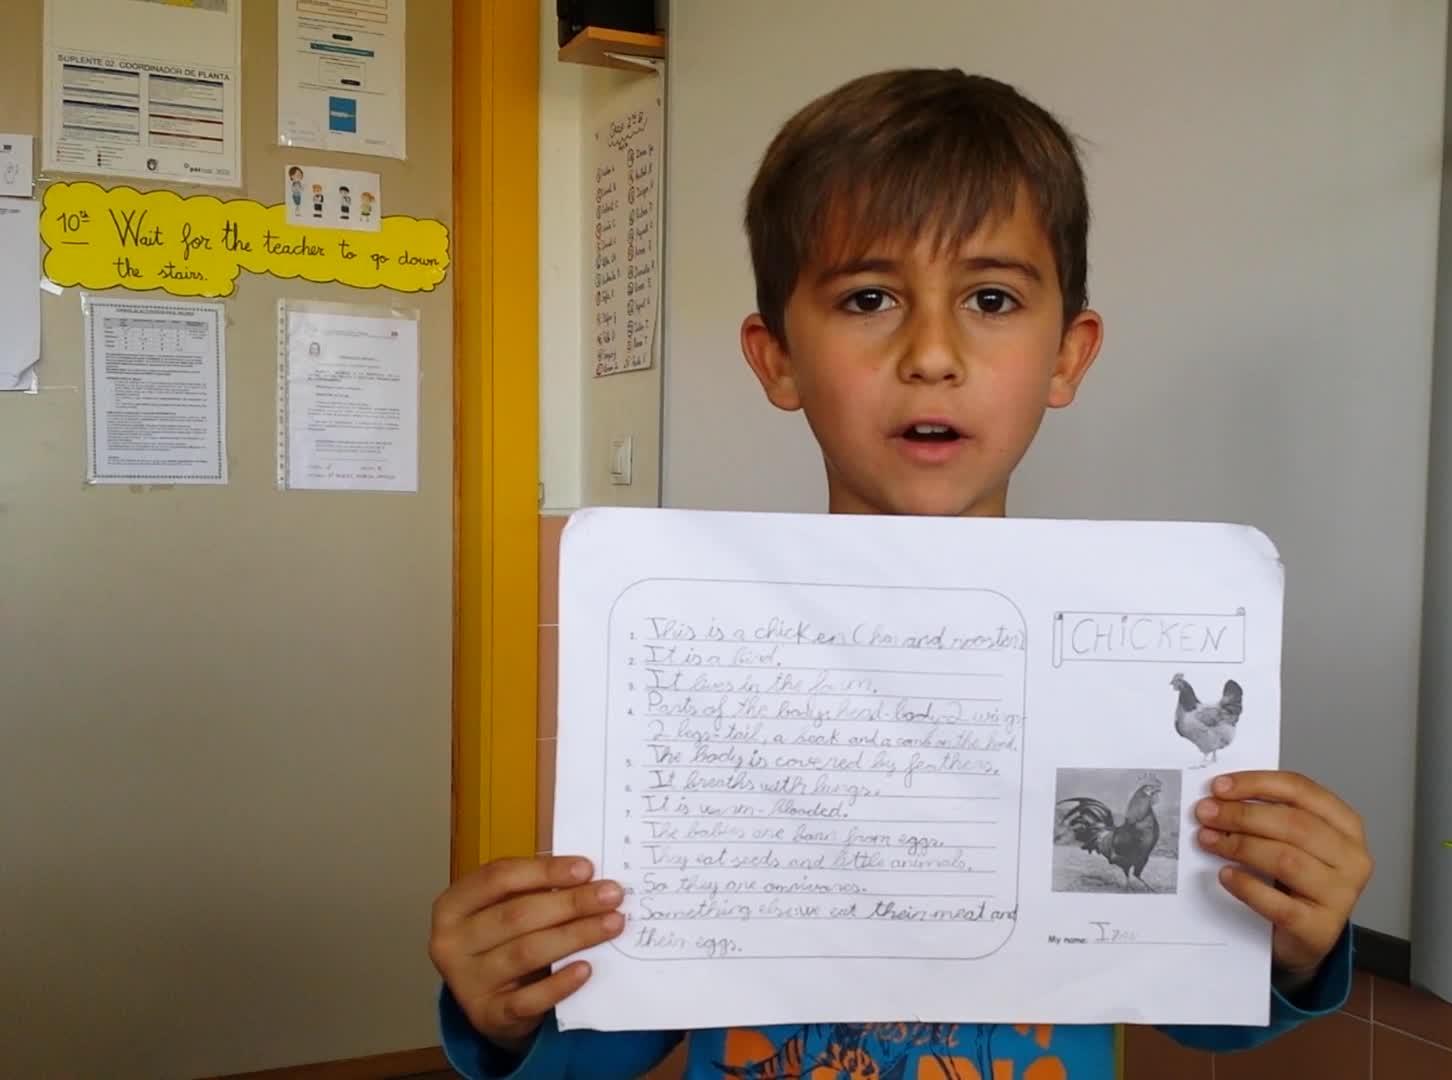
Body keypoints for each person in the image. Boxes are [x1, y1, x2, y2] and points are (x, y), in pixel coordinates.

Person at [430, 67, 1373, 1079]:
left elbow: (1195, 1000)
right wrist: (511, 1014)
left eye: (992, 299)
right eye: (869, 298)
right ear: (778, 358)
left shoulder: (1121, 672)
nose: (931, 353)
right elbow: (618, 1028)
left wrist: (1289, 939)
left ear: (1067, 355)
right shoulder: (701, 670)